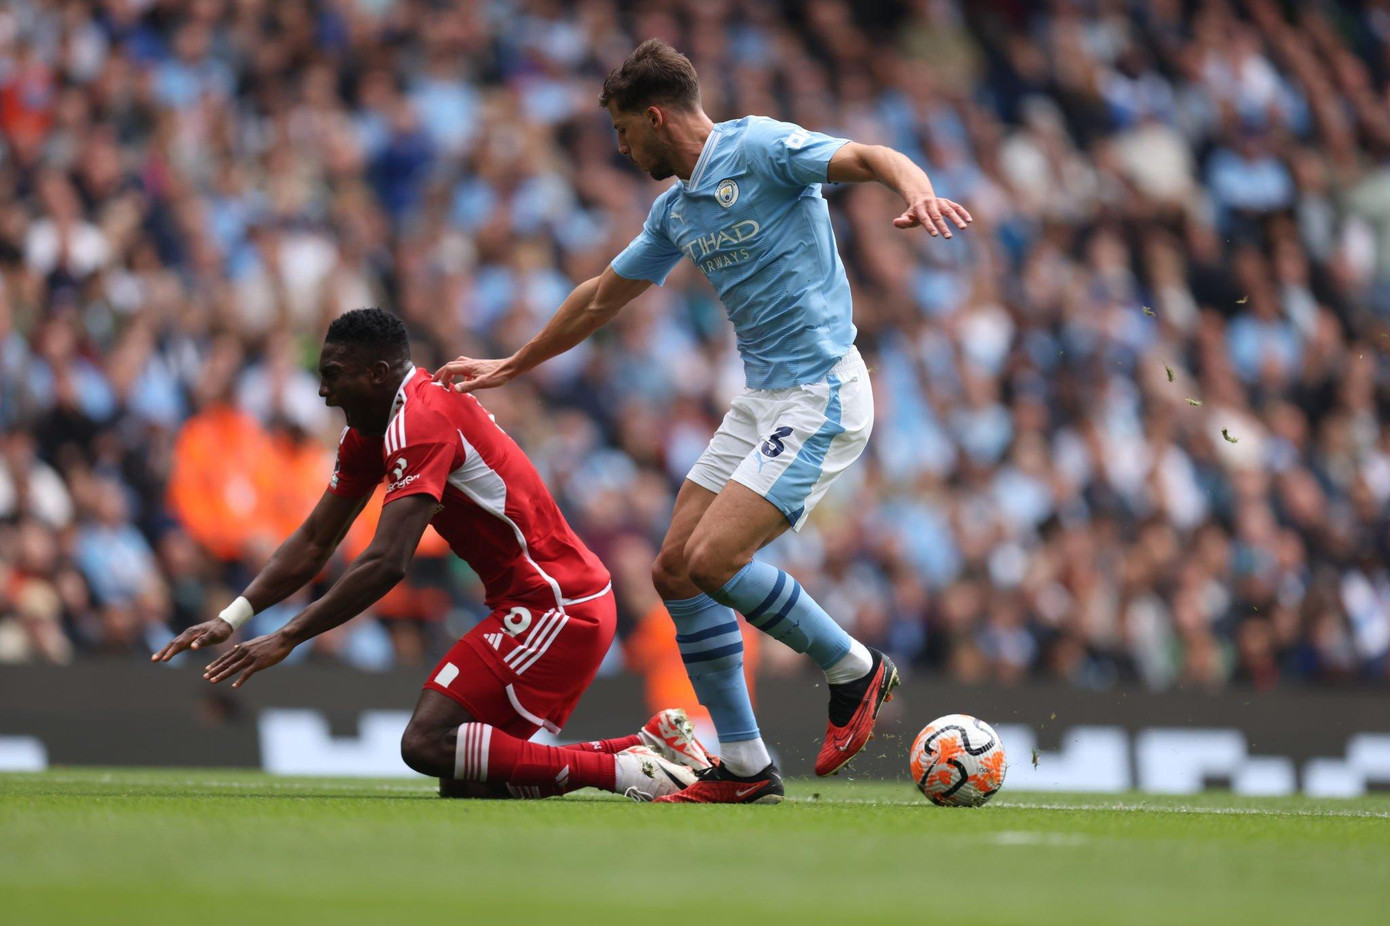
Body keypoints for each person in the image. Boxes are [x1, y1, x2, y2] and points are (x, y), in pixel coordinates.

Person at [435, 40, 973, 803]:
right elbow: (600, 296)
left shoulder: (760, 148)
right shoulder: (676, 210)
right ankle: (746, 765)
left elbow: (871, 156)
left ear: (656, 117)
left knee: (715, 560)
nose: (622, 148)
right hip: (761, 401)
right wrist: (513, 363)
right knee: (675, 571)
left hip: (821, 391)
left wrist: (918, 191)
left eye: (624, 131)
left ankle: (856, 669)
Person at [154, 308, 710, 802]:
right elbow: (315, 539)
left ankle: (630, 773)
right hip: (537, 602)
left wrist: (288, 636)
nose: (322, 392)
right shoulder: (374, 430)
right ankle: (648, 746)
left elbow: (387, 561)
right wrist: (234, 617)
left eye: (332, 375)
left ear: (377, 373)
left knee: (426, 742)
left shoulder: (420, 420)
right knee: (467, 776)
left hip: (558, 605)